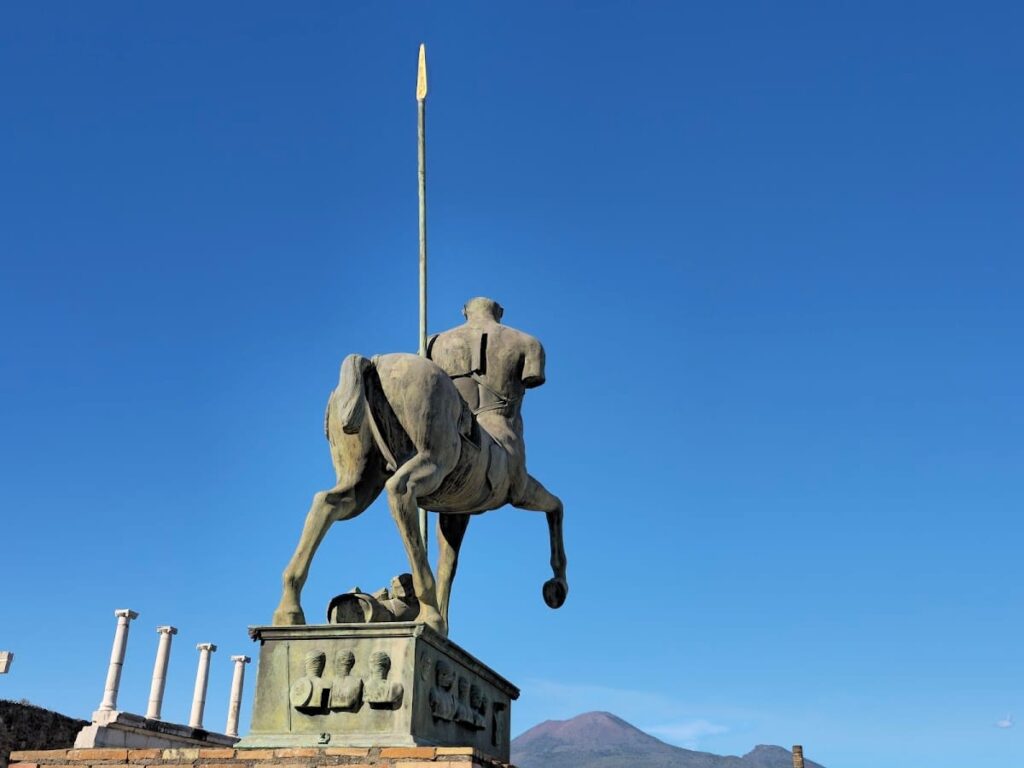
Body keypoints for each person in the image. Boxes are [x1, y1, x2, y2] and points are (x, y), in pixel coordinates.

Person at [427, 297, 545, 504]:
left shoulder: (432, 342)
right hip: (503, 436)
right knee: (520, 492)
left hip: (455, 431)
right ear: (500, 312)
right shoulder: (529, 343)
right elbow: (532, 377)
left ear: (464, 311)